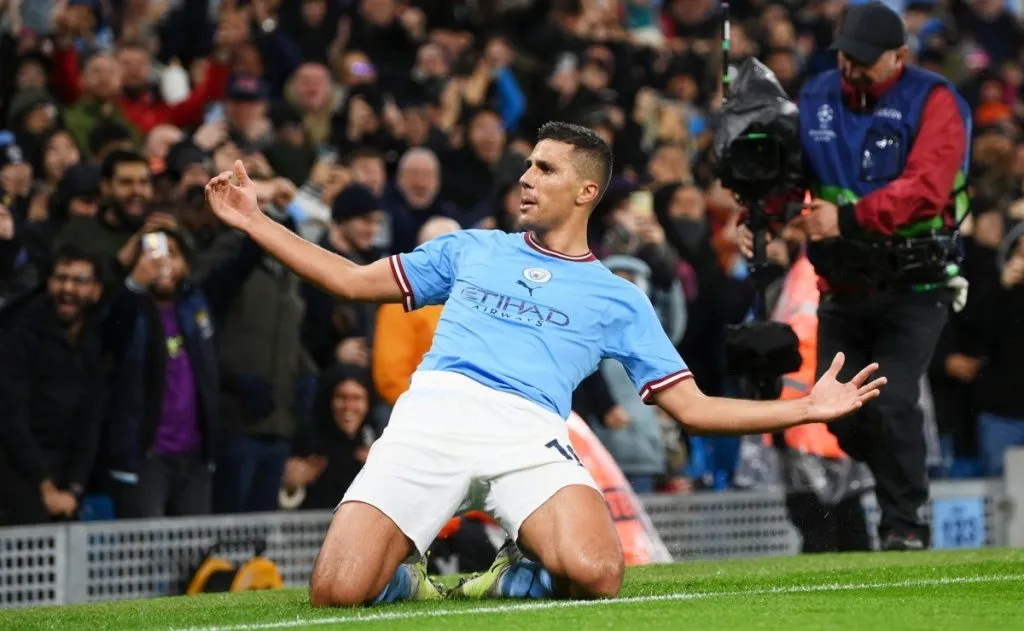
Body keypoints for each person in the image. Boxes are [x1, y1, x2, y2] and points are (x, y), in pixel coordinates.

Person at [205, 121, 885, 607]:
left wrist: (807, 405)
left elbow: (693, 408)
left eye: (546, 169)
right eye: (527, 165)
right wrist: (255, 222)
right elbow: (352, 280)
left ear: (587, 191)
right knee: (335, 591)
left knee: (598, 573)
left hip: (528, 433)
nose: (526, 178)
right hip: (430, 418)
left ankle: (513, 573)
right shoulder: (471, 247)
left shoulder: (619, 296)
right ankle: (402, 574)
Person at [738, 2, 971, 551]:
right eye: (845, 58)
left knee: (891, 400)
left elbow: (928, 190)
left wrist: (843, 218)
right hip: (842, 286)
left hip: (916, 285)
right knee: (838, 412)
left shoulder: (934, 100)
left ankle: (905, 524)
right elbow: (792, 178)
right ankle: (900, 497)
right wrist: (763, 218)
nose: (851, 70)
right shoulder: (817, 94)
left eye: (865, 61)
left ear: (901, 57)